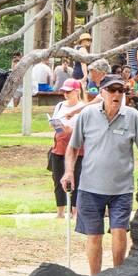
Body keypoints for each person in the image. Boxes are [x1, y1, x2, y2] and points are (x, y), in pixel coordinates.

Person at [62, 75, 138, 275]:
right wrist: (68, 172)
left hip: (122, 188)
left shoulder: (133, 116)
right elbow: (73, 148)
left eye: (121, 91)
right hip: (90, 187)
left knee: (119, 232)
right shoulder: (87, 114)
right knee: (94, 236)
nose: (117, 94)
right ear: (101, 93)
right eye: (112, 90)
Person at [48, 79, 85, 218]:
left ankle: (75, 211)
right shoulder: (59, 106)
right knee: (57, 178)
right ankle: (60, 211)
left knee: (76, 178)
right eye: (64, 92)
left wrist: (71, 130)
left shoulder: (83, 108)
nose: (66, 94)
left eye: (68, 91)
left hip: (77, 148)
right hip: (59, 146)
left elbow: (86, 129)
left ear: (77, 91)